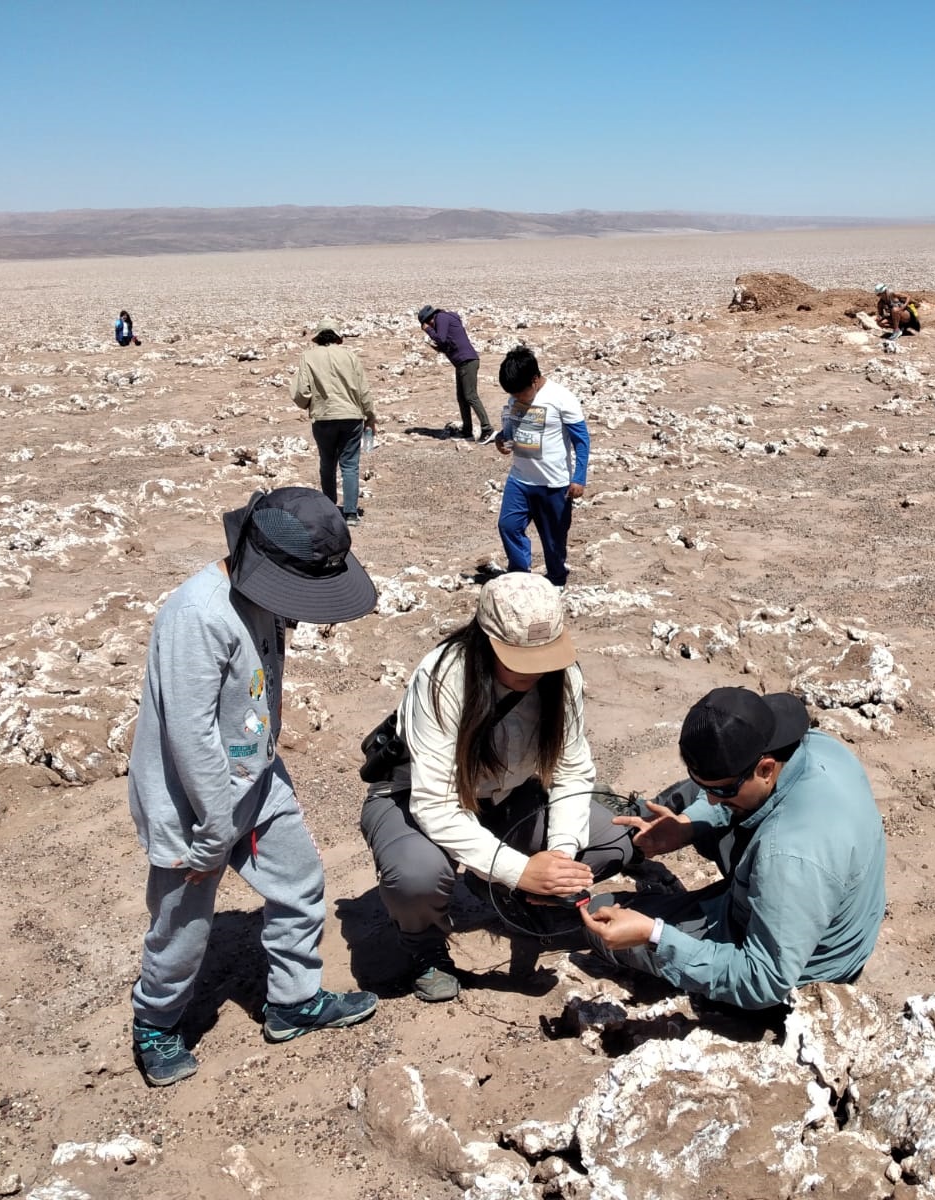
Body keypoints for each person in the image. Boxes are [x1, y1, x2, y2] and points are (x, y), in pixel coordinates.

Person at [127, 487, 381, 1087]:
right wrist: (213, 832)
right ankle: (156, 1022)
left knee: (300, 882)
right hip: (191, 805)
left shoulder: (261, 596)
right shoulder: (197, 617)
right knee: (182, 927)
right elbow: (191, 739)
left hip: (256, 781)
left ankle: (292, 1002)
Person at [358, 572, 638, 1002]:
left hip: (507, 797)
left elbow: (570, 772)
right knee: (416, 876)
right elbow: (435, 806)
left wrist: (558, 858)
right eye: (520, 658)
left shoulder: (564, 679)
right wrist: (521, 869)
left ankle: (510, 891)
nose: (536, 670)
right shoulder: (441, 679)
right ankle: (425, 947)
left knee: (615, 840)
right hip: (415, 798)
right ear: (484, 639)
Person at [583, 687, 886, 1011]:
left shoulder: (787, 855)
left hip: (803, 972)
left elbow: (764, 979)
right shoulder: (818, 747)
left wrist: (654, 936)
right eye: (707, 788)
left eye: (723, 790)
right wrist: (688, 824)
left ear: (766, 768)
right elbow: (721, 796)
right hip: (817, 904)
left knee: (599, 917)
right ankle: (642, 825)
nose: (713, 799)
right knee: (698, 799)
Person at [494, 346, 590, 588]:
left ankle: (557, 582)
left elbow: (582, 440)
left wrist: (579, 478)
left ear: (535, 379)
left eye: (520, 393)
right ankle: (519, 576)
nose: (516, 398)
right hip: (520, 479)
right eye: (512, 394)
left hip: (553, 484)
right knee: (508, 526)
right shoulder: (515, 396)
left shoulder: (561, 398)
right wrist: (500, 440)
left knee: (553, 541)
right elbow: (511, 430)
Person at [290, 319, 377, 528]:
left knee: (327, 463)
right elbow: (363, 389)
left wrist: (308, 404)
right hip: (351, 417)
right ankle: (350, 513)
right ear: (338, 337)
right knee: (350, 465)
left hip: (323, 417)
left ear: (318, 337)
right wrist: (370, 416)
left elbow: (301, 391)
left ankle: (329, 510)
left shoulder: (308, 357)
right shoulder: (350, 356)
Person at [416, 303, 495, 444]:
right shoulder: (446, 319)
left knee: (471, 396)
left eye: (428, 324)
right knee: (461, 397)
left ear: (429, 320)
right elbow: (448, 342)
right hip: (462, 362)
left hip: (467, 361)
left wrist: (428, 330)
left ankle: (487, 429)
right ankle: (467, 429)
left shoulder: (441, 318)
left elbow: (441, 338)